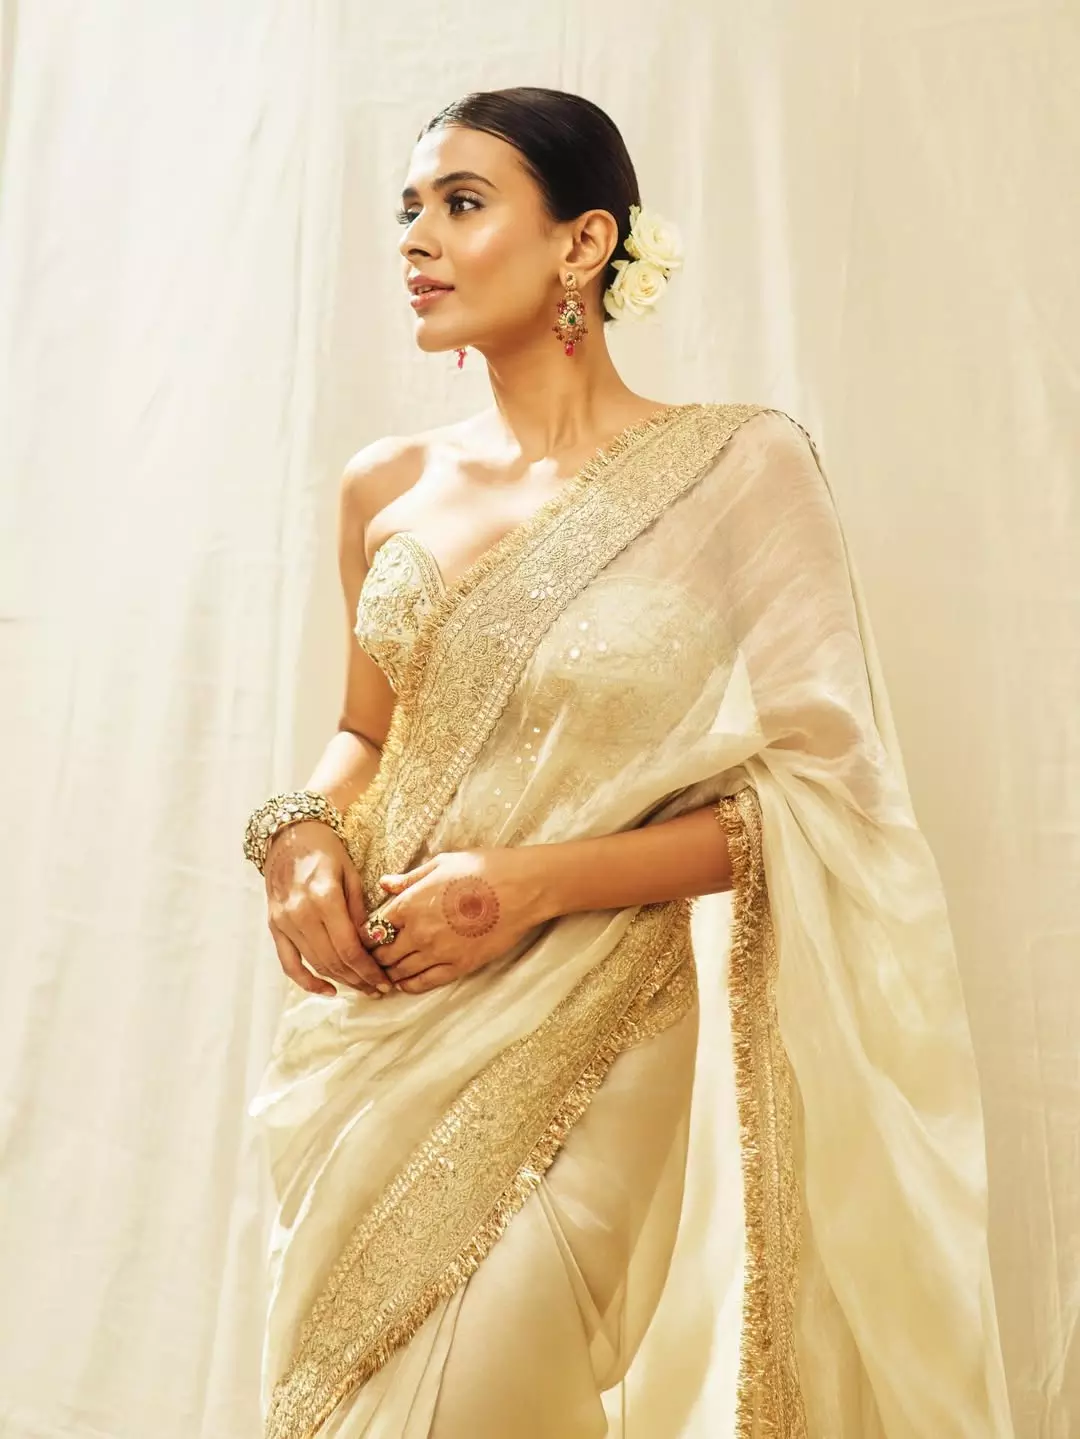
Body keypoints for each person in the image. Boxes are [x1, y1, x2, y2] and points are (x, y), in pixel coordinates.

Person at [243, 86, 1013, 1439]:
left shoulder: (737, 468)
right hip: (383, 1009)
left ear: (584, 243)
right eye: (409, 209)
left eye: (462, 203)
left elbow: (828, 796)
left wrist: (530, 885)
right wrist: (298, 833)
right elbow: (367, 732)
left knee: (482, 1397)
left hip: (597, 1012)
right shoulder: (385, 484)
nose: (416, 237)